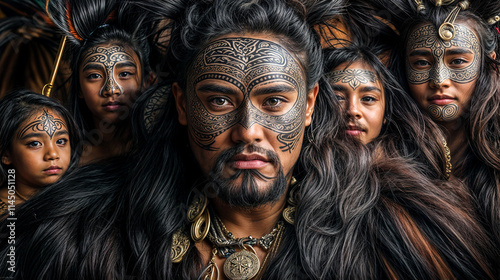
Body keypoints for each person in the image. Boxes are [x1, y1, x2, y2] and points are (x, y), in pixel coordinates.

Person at [0, 0, 497, 279]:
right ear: (180, 105)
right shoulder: (83, 233)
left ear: (307, 106)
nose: (248, 131)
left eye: (275, 101)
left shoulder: (398, 231)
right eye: (217, 101)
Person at [374, 0, 500, 247]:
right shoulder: (378, 163)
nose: (439, 79)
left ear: (488, 63)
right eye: (421, 62)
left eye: (458, 61)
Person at [45, 0, 157, 164]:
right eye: (94, 76)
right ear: (80, 88)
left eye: (124, 74)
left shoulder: (165, 154)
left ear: (148, 81)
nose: (111, 89)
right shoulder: (59, 161)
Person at [324, 45, 452, 179]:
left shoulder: (408, 181)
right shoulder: (302, 171)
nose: (353, 110)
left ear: (386, 113)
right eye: (337, 97)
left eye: (368, 98)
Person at [0, 89, 80, 214]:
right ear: (6, 154)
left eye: (61, 141)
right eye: (35, 144)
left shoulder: (82, 201)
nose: (53, 154)